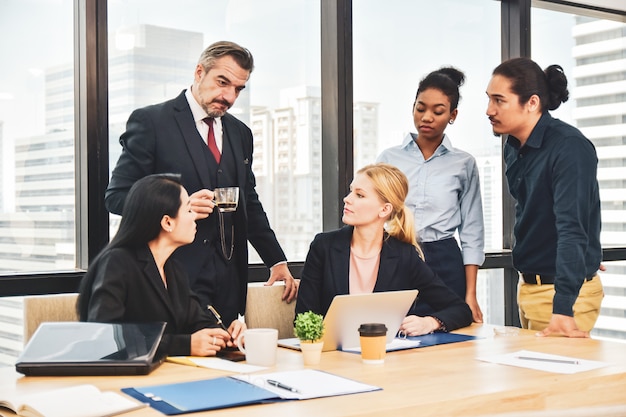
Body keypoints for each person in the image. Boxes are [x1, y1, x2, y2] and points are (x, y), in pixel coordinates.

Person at [104, 41, 297, 326]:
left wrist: (276, 260)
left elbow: (249, 202)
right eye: (223, 82)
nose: (229, 96)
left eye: (238, 89)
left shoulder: (240, 133)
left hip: (229, 283)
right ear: (198, 72)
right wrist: (176, 206)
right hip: (170, 281)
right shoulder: (151, 122)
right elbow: (117, 196)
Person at [486, 57, 604, 337]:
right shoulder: (514, 146)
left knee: (558, 381)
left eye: (499, 100)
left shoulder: (569, 148)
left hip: (561, 298)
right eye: (489, 99)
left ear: (532, 103)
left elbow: (572, 228)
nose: (489, 110)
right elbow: (536, 214)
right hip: (529, 288)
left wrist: (563, 308)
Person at [77, 174, 245, 357]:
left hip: (168, 376)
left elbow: (198, 322)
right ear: (167, 222)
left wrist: (227, 335)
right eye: (189, 210)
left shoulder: (173, 270)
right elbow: (106, 337)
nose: (194, 218)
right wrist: (184, 345)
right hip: (124, 379)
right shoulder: (117, 263)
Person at [296, 163, 473, 335]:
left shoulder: (404, 255)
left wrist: (429, 322)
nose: (347, 199)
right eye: (351, 191)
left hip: (385, 358)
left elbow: (460, 310)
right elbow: (304, 317)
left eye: (359, 195)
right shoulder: (324, 247)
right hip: (330, 357)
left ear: (384, 209)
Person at [377, 67, 485, 323]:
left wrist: (471, 294)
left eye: (438, 112)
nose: (426, 117)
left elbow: (472, 231)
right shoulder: (389, 158)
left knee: (449, 335)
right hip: (397, 252)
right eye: (420, 108)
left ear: (452, 115)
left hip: (445, 259)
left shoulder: (463, 163)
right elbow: (372, 213)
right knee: (395, 332)